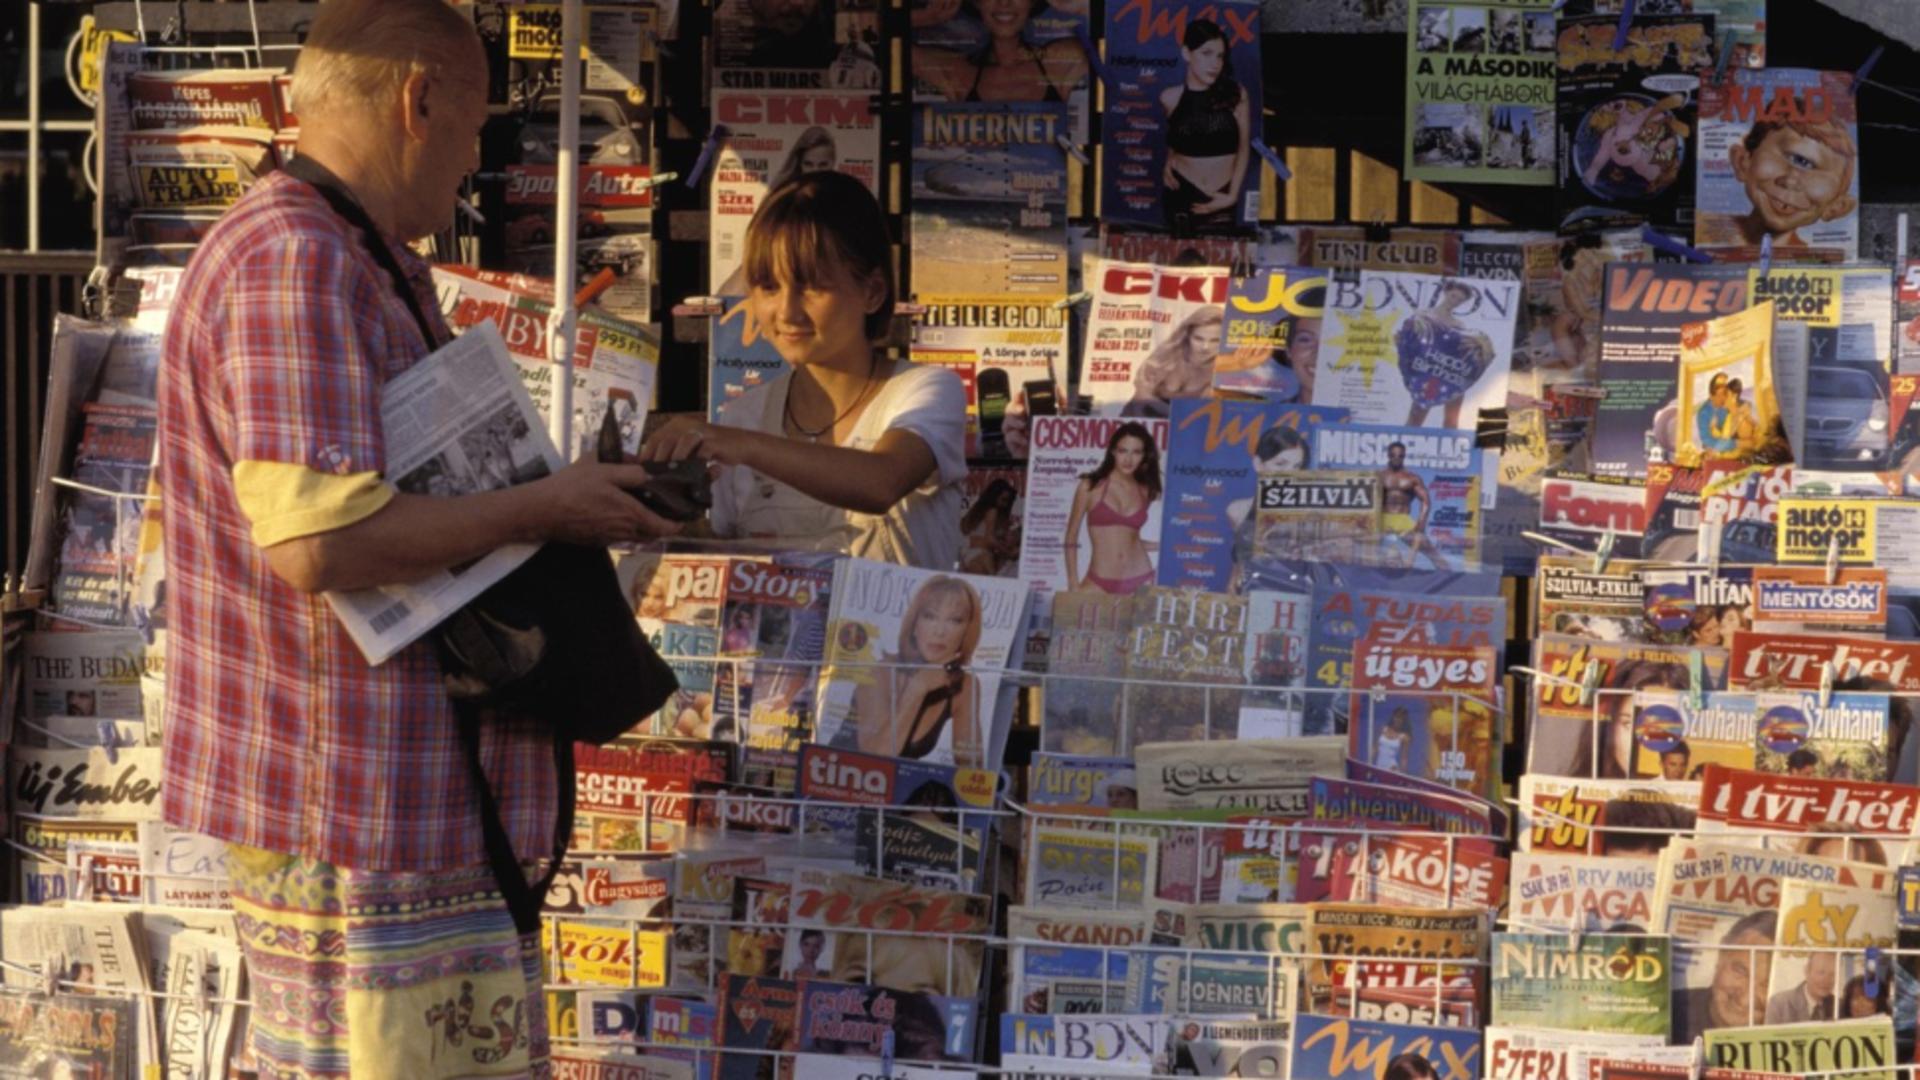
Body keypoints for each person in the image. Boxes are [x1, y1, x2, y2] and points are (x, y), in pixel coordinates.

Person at [154, 2, 683, 1075]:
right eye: (479, 126)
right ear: (419, 98)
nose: (476, 164)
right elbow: (320, 542)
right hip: (355, 812)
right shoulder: (294, 257)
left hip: (403, 809)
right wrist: (549, 508)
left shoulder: (353, 252)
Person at [645, 172, 968, 569]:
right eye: (768, 287)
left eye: (812, 287)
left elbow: (882, 482)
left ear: (873, 292)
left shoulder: (926, 391)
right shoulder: (744, 415)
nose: (786, 311)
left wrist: (740, 444)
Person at [848, 575, 985, 766]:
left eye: (955, 621)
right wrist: (917, 689)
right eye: (930, 616)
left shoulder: (966, 684)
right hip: (843, 784)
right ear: (914, 625)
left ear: (966, 631)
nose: (940, 631)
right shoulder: (880, 673)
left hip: (900, 789)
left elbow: (970, 768)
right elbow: (876, 759)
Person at [1159, 20, 1250, 234]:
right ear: (1186, 53)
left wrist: (1232, 195)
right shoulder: (1169, 98)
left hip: (1221, 195)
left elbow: (1244, 148)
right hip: (1180, 194)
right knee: (1177, 262)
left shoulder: (1236, 95)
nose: (1215, 64)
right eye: (1206, 53)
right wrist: (1167, 162)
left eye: (1220, 56)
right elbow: (1175, 138)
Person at [909, 0, 1087, 104]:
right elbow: (885, 45)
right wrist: (926, 17)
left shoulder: (1061, 61)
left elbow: (1114, 52)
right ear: (977, 3)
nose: (1004, 2)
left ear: (1032, 3)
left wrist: (1081, 7)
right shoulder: (959, 74)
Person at [1728, 116, 1857, 249]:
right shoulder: (1708, 230)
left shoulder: (1816, 261)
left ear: (1836, 207)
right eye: (1793, 158)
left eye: (1808, 165)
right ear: (1742, 162)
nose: (1790, 182)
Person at [1063, 422, 1161, 594]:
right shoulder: (1090, 486)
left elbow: (1129, 540)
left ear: (1144, 456)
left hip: (1141, 578)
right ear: (1113, 451)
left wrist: (1162, 546)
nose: (1128, 459)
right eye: (1123, 451)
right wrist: (1073, 583)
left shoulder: (1145, 490)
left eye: (1136, 452)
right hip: (1098, 582)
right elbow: (1071, 536)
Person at [1670, 909, 1777, 1044]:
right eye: (1740, 971)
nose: (1745, 1000)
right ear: (1721, 953)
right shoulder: (1667, 1010)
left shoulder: (1794, 1026)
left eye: (1766, 985)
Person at [1124, 307, 1224, 417]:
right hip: (1137, 419)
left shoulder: (1223, 370)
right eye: (1198, 338)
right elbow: (1139, 398)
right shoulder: (1167, 354)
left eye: (1215, 340)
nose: (1205, 347)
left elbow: (1196, 416)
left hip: (1182, 428)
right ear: (1188, 335)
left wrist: (1150, 400)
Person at [1377, 441, 1435, 568]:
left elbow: (1426, 501)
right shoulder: (1378, 476)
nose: (1396, 458)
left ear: (1404, 456)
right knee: (1363, 554)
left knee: (1433, 554)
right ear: (1388, 455)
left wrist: (1421, 523)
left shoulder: (1412, 478)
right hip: (1381, 519)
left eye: (1400, 455)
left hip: (1403, 521)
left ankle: (1452, 585)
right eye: (1393, 455)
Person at [959, 477, 1020, 576]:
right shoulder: (992, 511)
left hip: (968, 554)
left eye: (1008, 501)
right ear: (994, 496)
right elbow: (989, 539)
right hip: (982, 555)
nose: (1005, 504)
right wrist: (1008, 554)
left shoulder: (979, 510)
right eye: (1003, 499)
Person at [1764, 948, 1837, 1023]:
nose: (1826, 980)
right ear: (1807, 972)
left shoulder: (1839, 1005)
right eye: (1821, 973)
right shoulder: (1779, 1004)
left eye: (1832, 975)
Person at [769, 126, 837, 192]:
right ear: (799, 163)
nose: (815, 171)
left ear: (833, 162)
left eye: (823, 165)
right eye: (808, 164)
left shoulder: (842, 193)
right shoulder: (782, 192)